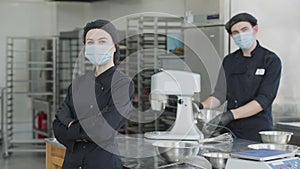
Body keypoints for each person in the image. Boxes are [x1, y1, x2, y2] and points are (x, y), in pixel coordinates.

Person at [52, 19, 134, 169]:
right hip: (72, 163)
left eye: (102, 41)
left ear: (114, 47)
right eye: (90, 42)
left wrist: (71, 126)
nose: (95, 46)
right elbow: (57, 125)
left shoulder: (122, 84)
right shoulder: (78, 84)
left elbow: (103, 130)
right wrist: (90, 126)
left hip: (103, 163)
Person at [196, 13, 282, 142]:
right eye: (235, 32)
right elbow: (220, 95)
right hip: (231, 131)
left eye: (244, 30)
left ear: (255, 29)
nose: (240, 35)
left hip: (257, 132)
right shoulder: (229, 61)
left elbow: (264, 100)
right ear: (231, 36)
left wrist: (230, 115)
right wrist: (200, 105)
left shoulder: (270, 60)